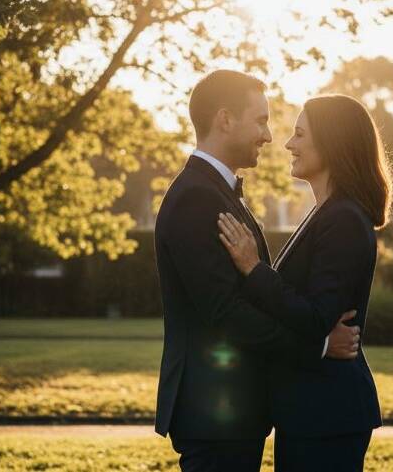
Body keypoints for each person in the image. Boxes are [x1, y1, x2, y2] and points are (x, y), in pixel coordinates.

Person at [154, 71, 361, 472]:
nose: (269, 136)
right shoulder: (197, 197)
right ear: (225, 119)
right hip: (214, 412)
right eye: (261, 121)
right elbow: (225, 313)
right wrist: (318, 346)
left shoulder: (216, 191)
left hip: (229, 412)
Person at [217, 93, 392, 472]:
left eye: (299, 134)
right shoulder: (326, 212)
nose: (288, 144)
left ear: (331, 142)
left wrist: (253, 268)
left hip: (328, 414)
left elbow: (316, 318)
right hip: (312, 411)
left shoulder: (343, 219)